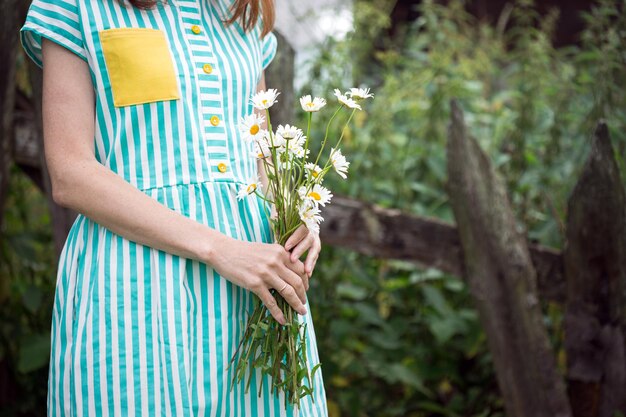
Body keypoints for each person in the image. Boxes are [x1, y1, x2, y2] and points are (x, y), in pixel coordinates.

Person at [19, 0, 329, 415]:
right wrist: (220, 249)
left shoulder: (242, 13)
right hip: (135, 281)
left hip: (254, 284)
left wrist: (296, 214)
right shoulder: (77, 6)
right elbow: (71, 173)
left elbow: (260, 155)